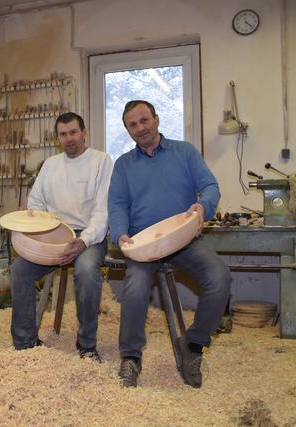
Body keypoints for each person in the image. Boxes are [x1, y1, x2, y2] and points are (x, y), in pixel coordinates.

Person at [108, 100, 231, 388]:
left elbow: (211, 186)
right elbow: (117, 205)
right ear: (127, 130)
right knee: (135, 287)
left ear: (157, 119)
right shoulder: (123, 164)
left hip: (184, 239)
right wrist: (120, 234)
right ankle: (131, 357)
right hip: (143, 245)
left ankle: (193, 345)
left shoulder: (185, 152)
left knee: (219, 276)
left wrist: (203, 207)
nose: (140, 128)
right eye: (133, 125)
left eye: (144, 120)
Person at [10, 112, 113, 361]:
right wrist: (37, 226)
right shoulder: (51, 165)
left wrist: (84, 240)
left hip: (89, 236)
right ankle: (25, 343)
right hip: (53, 235)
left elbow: (103, 211)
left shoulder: (102, 161)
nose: (69, 139)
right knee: (19, 270)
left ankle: (86, 346)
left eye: (73, 132)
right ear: (58, 137)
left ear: (84, 132)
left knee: (87, 272)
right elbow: (35, 202)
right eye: (63, 134)